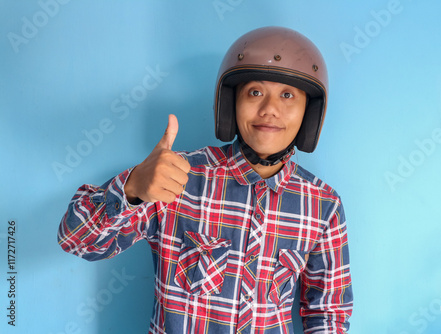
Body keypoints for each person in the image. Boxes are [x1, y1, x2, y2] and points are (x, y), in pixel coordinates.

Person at [58, 26, 353, 333]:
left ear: (309, 111)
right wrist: (132, 187)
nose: (270, 110)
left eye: (288, 95)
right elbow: (76, 240)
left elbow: (329, 312)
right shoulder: (176, 176)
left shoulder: (323, 205)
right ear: (231, 102)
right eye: (255, 92)